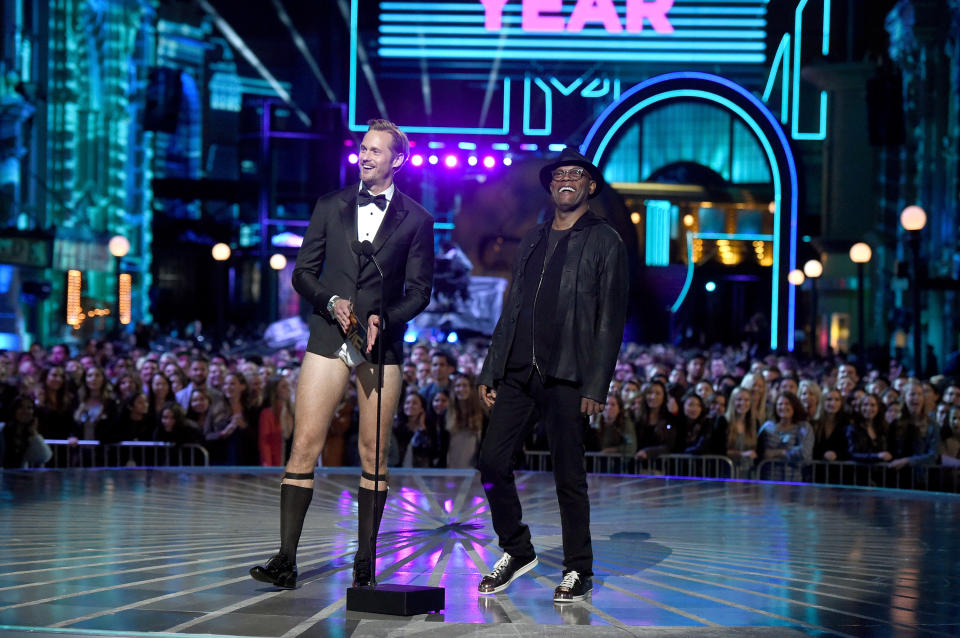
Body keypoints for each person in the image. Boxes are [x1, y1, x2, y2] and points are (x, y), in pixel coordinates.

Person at [250, 119, 434, 590]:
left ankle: (366, 560)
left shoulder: (417, 219)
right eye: (363, 148)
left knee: (374, 453)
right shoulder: (329, 206)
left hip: (380, 344)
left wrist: (385, 318)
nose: (366, 156)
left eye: (377, 151)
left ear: (399, 160)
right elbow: (303, 273)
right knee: (304, 444)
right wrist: (331, 301)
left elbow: (420, 291)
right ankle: (286, 558)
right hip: (329, 338)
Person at [475, 147, 628, 603]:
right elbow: (513, 306)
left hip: (569, 374)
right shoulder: (534, 239)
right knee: (491, 463)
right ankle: (517, 549)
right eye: (559, 174)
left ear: (590, 186)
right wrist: (491, 367)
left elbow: (610, 318)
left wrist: (597, 385)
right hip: (519, 371)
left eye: (575, 174)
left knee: (568, 475)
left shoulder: (605, 241)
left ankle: (578, 568)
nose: (566, 179)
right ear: (550, 186)